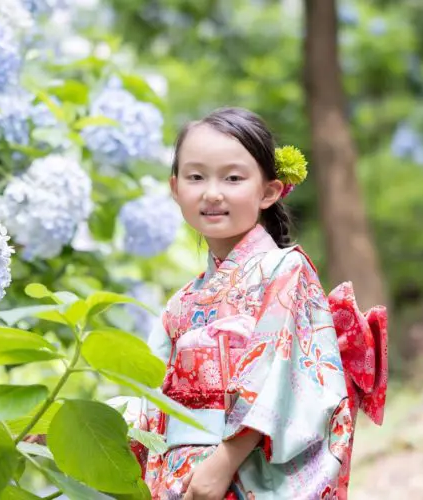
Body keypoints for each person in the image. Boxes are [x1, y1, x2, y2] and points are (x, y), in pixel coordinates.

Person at [126, 107, 388, 499]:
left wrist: (224, 461)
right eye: (196, 177)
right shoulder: (180, 303)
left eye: (232, 178)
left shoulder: (286, 270)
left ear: (269, 191)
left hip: (243, 469)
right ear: (175, 188)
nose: (212, 192)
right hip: (180, 477)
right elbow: (149, 395)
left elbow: (280, 376)